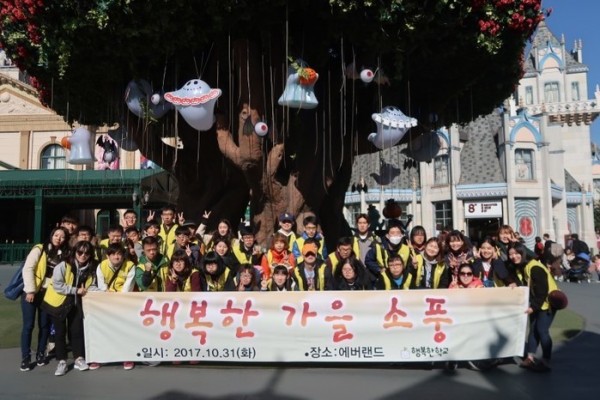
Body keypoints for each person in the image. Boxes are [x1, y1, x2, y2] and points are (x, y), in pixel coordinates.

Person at [43, 240, 99, 376]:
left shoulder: (91, 269)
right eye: (80, 252)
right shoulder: (63, 265)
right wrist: (75, 290)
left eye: (87, 253)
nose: (83, 255)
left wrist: (102, 292)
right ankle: (62, 361)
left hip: (76, 304)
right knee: (60, 333)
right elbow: (57, 285)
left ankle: (79, 358)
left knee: (76, 331)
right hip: (58, 303)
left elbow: (91, 286)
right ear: (75, 252)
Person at [20, 227, 69, 371]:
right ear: (51, 235)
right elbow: (28, 268)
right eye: (56, 235)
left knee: (44, 325)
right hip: (32, 292)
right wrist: (30, 290)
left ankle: (41, 353)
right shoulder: (39, 249)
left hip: (47, 294)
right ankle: (25, 357)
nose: (58, 238)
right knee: (28, 325)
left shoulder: (63, 254)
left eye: (62, 236)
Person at [508, 242, 558, 372]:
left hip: (548, 303)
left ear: (523, 253)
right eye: (511, 254)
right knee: (533, 330)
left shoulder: (535, 267)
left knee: (542, 330)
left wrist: (533, 307)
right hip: (538, 303)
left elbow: (542, 291)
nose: (513, 256)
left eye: (516, 253)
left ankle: (546, 360)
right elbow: (525, 285)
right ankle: (530, 358)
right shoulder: (522, 267)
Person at [90, 243, 136, 371]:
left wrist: (119, 300)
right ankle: (99, 357)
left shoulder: (130, 265)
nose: (116, 257)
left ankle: (127, 357)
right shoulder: (101, 266)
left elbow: (128, 287)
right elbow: (102, 286)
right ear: (108, 256)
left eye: (119, 254)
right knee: (103, 330)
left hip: (124, 302)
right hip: (106, 302)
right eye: (113, 254)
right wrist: (109, 298)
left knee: (125, 330)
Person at [364, 220, 411, 286]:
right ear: (387, 236)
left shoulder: (406, 249)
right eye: (392, 233)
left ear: (402, 235)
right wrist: (379, 269)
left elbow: (408, 267)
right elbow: (368, 260)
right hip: (382, 281)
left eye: (398, 233)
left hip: (400, 281)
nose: (395, 235)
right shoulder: (379, 247)